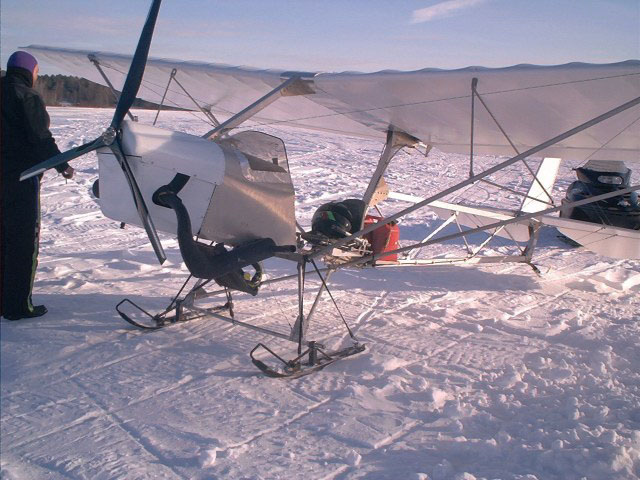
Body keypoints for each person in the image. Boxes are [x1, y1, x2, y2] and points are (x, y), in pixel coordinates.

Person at [1, 51, 75, 320]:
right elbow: (40, 138)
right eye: (36, 71)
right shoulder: (27, 96)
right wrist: (62, 165)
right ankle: (18, 305)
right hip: (20, 180)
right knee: (22, 243)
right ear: (28, 71)